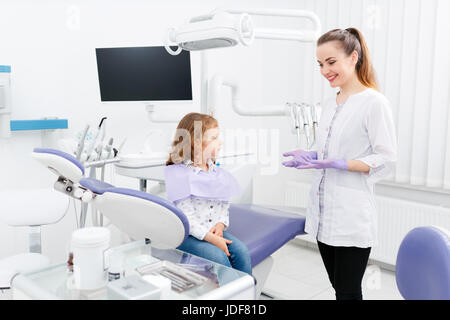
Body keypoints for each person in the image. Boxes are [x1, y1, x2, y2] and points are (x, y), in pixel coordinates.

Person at [282, 28, 397, 300]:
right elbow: (328, 148)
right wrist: (313, 155)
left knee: (347, 292)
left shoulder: (374, 103)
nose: (324, 70)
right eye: (320, 64)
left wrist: (343, 163)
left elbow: (387, 158)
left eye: (331, 62)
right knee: (338, 288)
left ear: (353, 57)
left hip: (350, 216)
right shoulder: (328, 103)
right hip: (323, 214)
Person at [164, 112, 252, 275]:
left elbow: (224, 205)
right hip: (187, 234)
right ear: (196, 143)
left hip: (212, 231)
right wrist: (212, 239)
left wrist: (220, 226)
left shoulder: (216, 172)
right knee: (218, 257)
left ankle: (245, 295)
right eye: (214, 138)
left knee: (242, 253)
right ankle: (230, 294)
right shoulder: (179, 174)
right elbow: (186, 218)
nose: (220, 142)